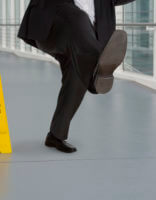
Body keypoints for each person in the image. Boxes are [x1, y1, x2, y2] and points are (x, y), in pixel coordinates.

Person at [17, 0, 136, 153]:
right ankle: (95, 70)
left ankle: (55, 135)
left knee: (76, 77)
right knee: (78, 18)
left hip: (82, 43)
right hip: (53, 28)